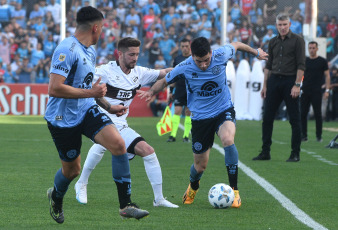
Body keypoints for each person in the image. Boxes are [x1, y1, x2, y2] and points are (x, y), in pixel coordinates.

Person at [44, 7, 149, 224]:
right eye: (101, 28)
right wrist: (91, 93)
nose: (102, 32)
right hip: (62, 119)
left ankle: (125, 205)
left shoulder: (89, 50)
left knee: (118, 144)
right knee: (72, 170)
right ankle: (56, 196)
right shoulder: (66, 49)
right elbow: (54, 88)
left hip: (86, 109)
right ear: (95, 27)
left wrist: (108, 107)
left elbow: (89, 86)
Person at [138, 36, 268, 208]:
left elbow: (236, 45)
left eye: (207, 60)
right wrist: (151, 92)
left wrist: (255, 52)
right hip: (200, 118)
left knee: (228, 139)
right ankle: (193, 186)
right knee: (200, 166)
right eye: (199, 61)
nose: (204, 65)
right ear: (192, 56)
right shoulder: (184, 66)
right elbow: (165, 80)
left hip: (223, 110)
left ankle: (235, 192)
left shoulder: (221, 54)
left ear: (211, 53)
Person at [74, 37, 178, 208]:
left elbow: (164, 72)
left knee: (141, 151)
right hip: (100, 121)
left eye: (137, 54)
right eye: (131, 54)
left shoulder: (139, 72)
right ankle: (82, 183)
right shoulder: (105, 71)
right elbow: (87, 87)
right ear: (120, 54)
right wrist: (107, 106)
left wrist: (187, 68)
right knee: (119, 146)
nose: (135, 58)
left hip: (121, 124)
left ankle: (158, 199)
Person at [253, 13, 306, 162]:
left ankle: (295, 153)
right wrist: (265, 85)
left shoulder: (298, 41)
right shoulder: (272, 41)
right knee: (267, 117)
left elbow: (301, 64)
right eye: (279, 25)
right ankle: (265, 152)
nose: (282, 27)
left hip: (290, 80)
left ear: (289, 25)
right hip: (274, 80)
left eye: (285, 24)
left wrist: (297, 85)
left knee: (294, 119)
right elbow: (268, 65)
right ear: (276, 25)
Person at [301, 41, 330, 142]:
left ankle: (319, 136)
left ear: (317, 49)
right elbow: (300, 74)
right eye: (310, 48)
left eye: (313, 48)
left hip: (317, 91)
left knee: (318, 114)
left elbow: (327, 76)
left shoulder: (322, 61)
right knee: (303, 114)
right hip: (305, 90)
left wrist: (327, 90)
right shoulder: (304, 60)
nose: (312, 50)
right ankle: (303, 135)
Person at [167, 38, 192, 143]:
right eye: (183, 46)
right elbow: (173, 76)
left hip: (191, 90)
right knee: (176, 111)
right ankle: (173, 135)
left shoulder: (194, 58)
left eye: (186, 46)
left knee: (188, 112)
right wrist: (171, 90)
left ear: (190, 46)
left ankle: (186, 136)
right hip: (179, 89)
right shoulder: (177, 59)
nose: (185, 48)